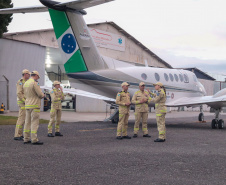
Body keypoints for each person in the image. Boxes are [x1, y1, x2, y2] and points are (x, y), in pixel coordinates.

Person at [23, 71, 44, 145]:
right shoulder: (34, 83)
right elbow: (40, 94)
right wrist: (43, 95)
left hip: (27, 104)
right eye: (38, 77)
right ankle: (34, 139)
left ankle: (26, 138)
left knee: (27, 122)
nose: (38, 78)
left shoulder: (26, 83)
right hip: (35, 105)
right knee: (34, 122)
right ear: (36, 76)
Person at [14, 69, 30, 141]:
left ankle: (19, 134)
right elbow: (19, 93)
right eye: (28, 74)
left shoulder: (26, 82)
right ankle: (17, 134)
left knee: (23, 119)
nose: (29, 75)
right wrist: (25, 100)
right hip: (22, 103)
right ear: (25, 74)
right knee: (21, 118)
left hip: (25, 102)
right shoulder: (20, 82)